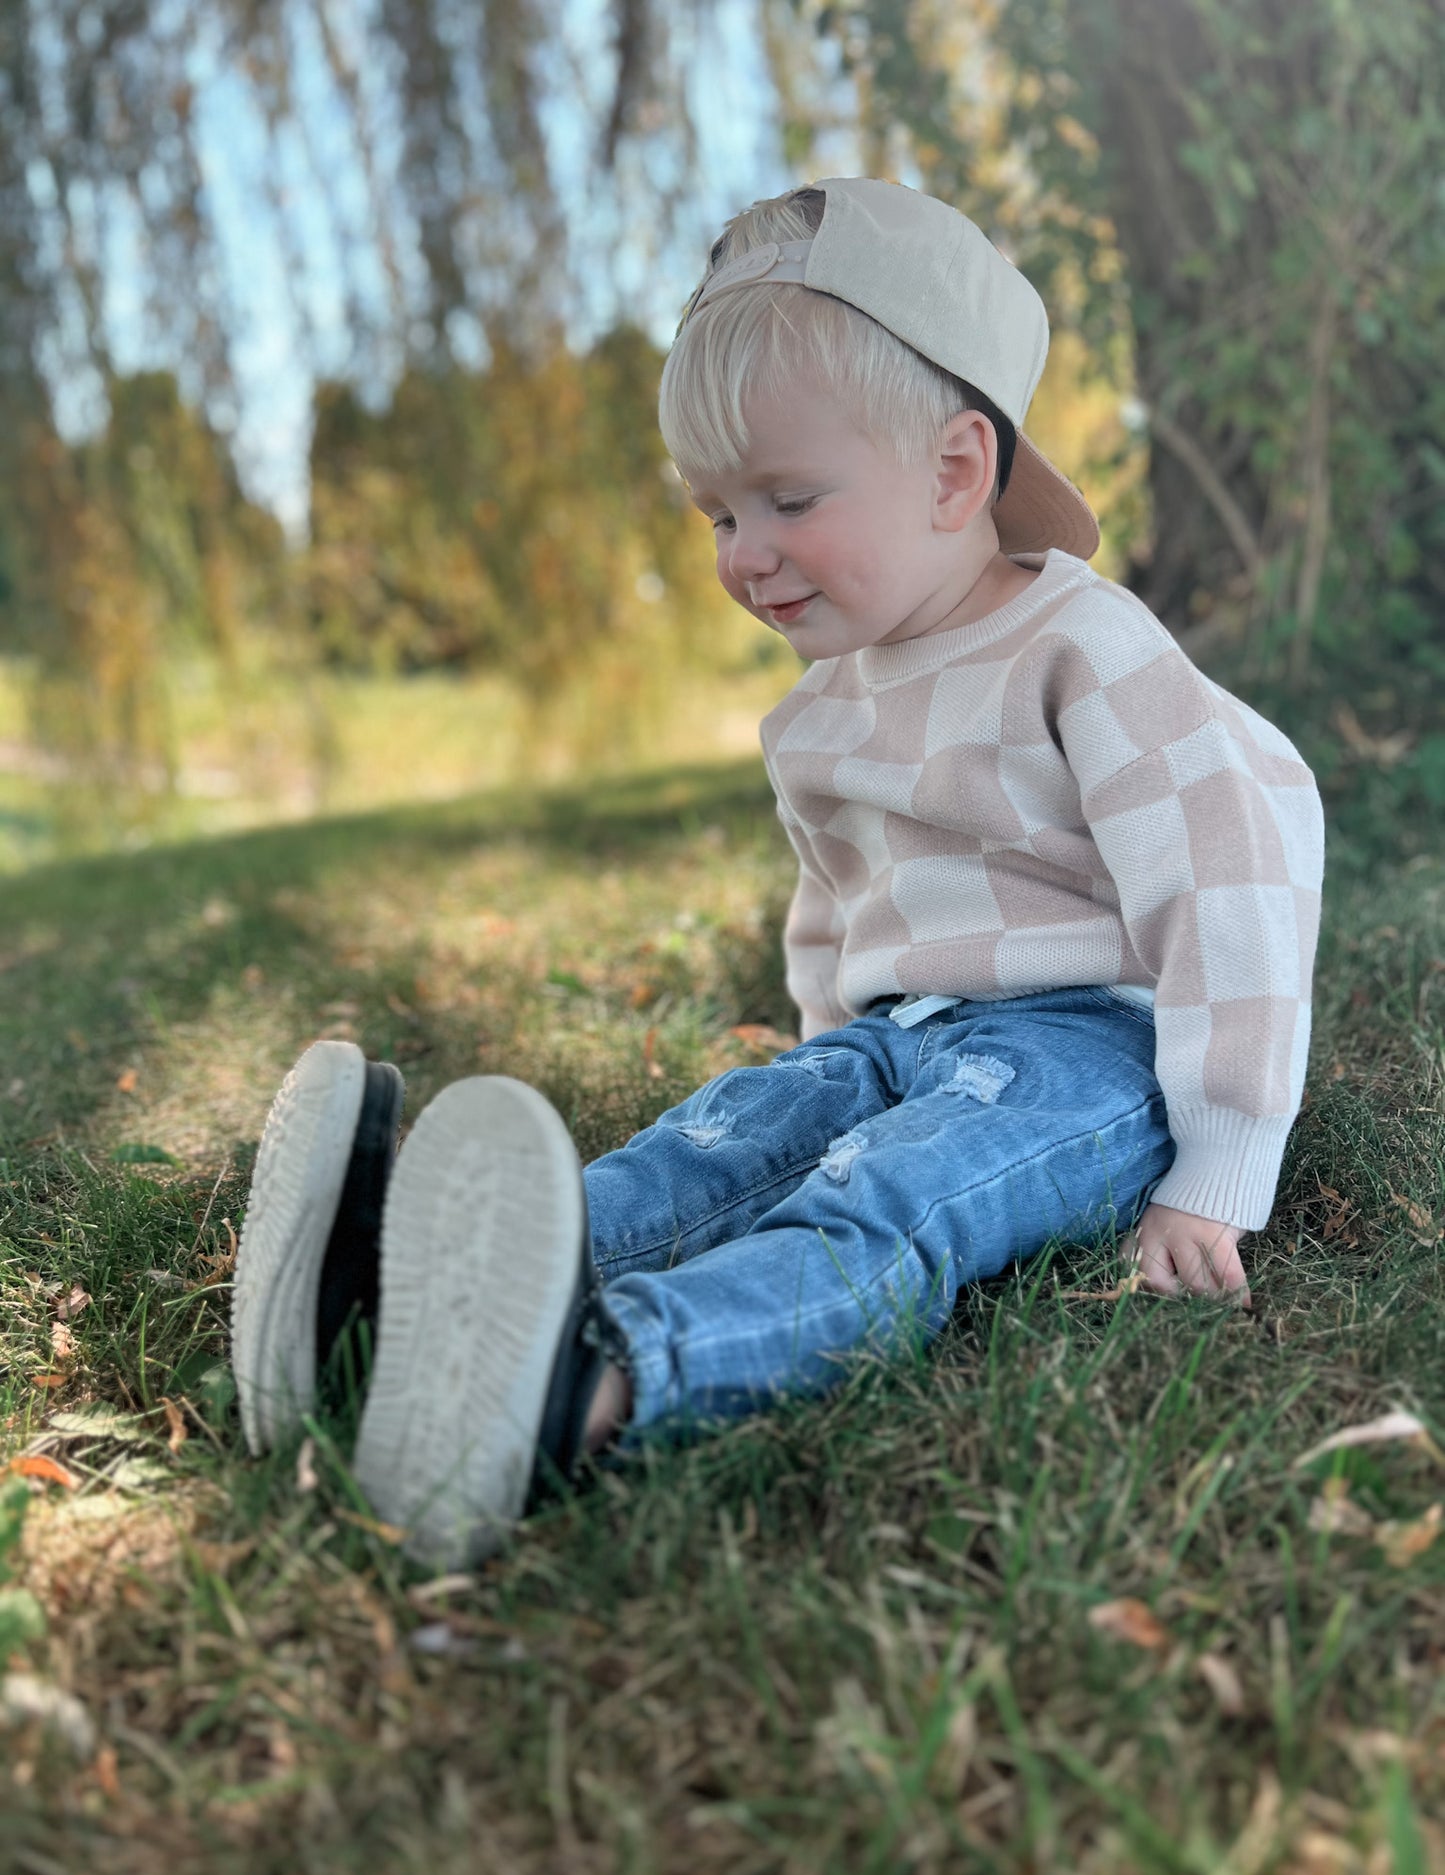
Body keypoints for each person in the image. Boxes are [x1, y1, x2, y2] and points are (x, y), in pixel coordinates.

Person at [230, 178, 1324, 1569]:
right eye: (714, 519)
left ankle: (595, 1388)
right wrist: (819, 1072)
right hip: (893, 1037)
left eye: (786, 501)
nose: (745, 559)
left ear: (951, 472)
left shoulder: (1084, 650)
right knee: (711, 1148)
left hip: (1085, 1058)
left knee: (888, 1202)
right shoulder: (817, 707)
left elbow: (1225, 890)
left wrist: (1216, 1166)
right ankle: (386, 1288)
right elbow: (835, 910)